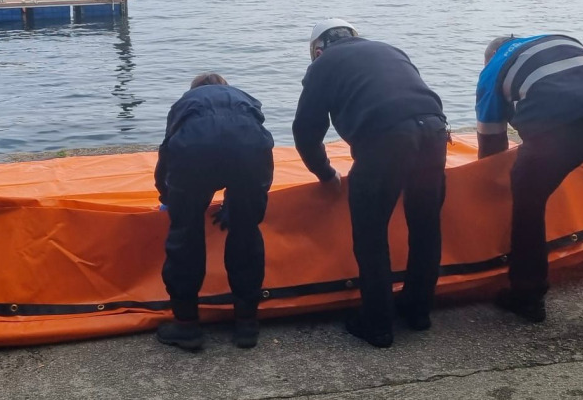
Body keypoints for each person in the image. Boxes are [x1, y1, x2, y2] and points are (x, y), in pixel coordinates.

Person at [477, 34, 583, 340]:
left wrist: (492, 180)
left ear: (491, 57)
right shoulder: (567, 41)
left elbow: (491, 141)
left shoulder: (493, 69)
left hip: (554, 128)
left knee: (528, 209)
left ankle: (528, 298)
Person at [292, 19, 448, 348]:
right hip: (434, 130)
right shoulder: (389, 49)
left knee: (371, 235)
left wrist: (325, 172)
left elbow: (306, 132)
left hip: (386, 139)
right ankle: (418, 312)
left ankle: (377, 325)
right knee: (426, 226)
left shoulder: (324, 64)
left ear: (318, 50)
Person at [154, 73, 275, 352]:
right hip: (250, 149)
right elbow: (254, 147)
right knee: (246, 232)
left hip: (195, 151)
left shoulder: (186, 102)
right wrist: (239, 205)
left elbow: (167, 154)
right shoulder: (245, 99)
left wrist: (169, 198)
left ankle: (187, 326)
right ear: (225, 87)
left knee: (186, 236)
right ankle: (247, 323)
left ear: (196, 89)